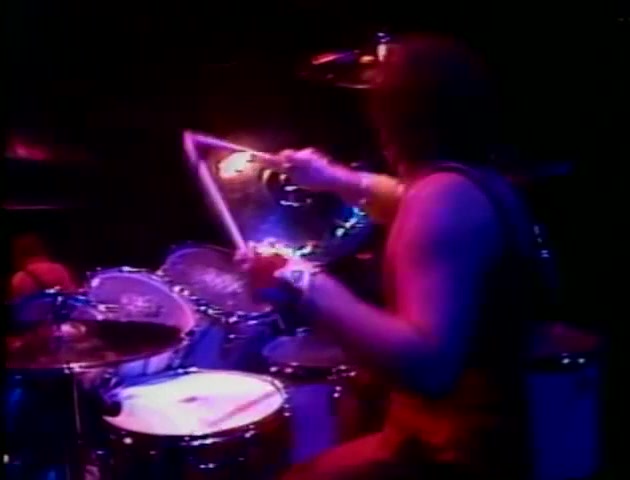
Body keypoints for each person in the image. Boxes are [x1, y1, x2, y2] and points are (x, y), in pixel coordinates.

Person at [241, 34, 541, 479]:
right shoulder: (468, 183)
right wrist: (331, 177)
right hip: (460, 438)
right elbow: (403, 199)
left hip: (449, 453)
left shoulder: (443, 199)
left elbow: (429, 367)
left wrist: (304, 284)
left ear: (390, 119)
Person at [9, 233, 77, 301]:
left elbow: (17, 304)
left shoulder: (19, 279)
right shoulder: (59, 270)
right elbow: (72, 296)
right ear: (40, 249)